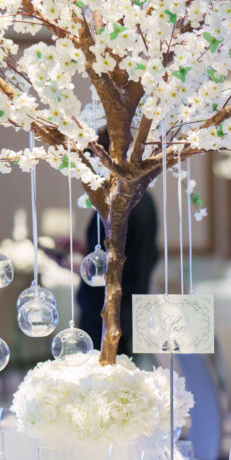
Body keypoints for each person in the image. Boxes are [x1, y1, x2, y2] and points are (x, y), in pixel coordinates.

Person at [77, 129, 158, 357]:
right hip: (132, 306)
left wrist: (76, 267)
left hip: (105, 311)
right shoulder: (144, 198)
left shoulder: (116, 205)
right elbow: (151, 255)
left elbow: (104, 264)